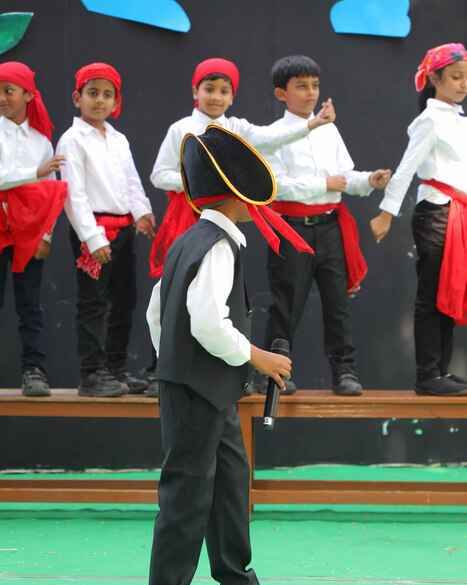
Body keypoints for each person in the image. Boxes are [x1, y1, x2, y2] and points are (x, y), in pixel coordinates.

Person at [140, 124, 314, 585]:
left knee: (230, 484)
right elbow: (208, 325)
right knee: (187, 496)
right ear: (239, 196)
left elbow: (156, 312)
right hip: (199, 391)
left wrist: (176, 361)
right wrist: (258, 357)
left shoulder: (190, 239)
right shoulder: (216, 246)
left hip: (205, 390)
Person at [145, 57, 335, 397]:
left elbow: (271, 138)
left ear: (233, 96)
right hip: (188, 218)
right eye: (209, 89)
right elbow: (159, 174)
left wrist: (310, 125)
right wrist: (201, 182)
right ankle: (161, 369)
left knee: (218, 300)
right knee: (177, 292)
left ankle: (222, 375)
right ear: (195, 91)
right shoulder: (180, 129)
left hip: (221, 218)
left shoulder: (236, 128)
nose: (216, 97)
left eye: (224, 91)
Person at [250, 55, 391, 396]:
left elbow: (344, 178)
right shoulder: (274, 135)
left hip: (330, 227)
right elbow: (275, 187)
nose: (310, 93)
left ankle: (345, 372)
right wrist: (324, 183)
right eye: (301, 86)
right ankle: (274, 374)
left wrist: (368, 181)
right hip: (291, 228)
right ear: (281, 94)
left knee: (337, 304)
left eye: (314, 85)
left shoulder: (329, 130)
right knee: (286, 304)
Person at [370, 43, 467, 396]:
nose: (462, 84)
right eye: (455, 77)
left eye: (465, 77)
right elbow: (406, 169)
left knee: (449, 291)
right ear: (435, 80)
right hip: (437, 213)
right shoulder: (429, 120)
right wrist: (386, 214)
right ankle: (428, 374)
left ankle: (441, 370)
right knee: (432, 294)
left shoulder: (458, 120)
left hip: (457, 212)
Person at [56, 63, 156, 397]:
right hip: (94, 231)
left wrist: (142, 212)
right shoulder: (72, 140)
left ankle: (116, 368)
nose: (100, 101)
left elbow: (131, 181)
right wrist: (91, 237)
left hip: (123, 229)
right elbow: (73, 194)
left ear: (116, 101)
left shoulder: (118, 139)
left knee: (124, 300)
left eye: (107, 94)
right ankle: (91, 374)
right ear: (77, 98)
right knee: (94, 303)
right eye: (92, 93)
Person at [0, 61, 67, 396]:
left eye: (8, 91)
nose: (2, 98)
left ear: (28, 94)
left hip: (28, 233)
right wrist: (33, 173)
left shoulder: (42, 141)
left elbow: (50, 192)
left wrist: (46, 235)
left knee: (30, 304)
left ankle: (34, 370)